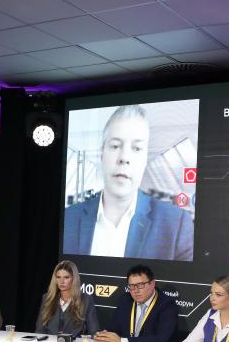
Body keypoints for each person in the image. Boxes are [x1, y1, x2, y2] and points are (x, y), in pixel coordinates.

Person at [62, 105, 194, 261]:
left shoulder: (176, 226)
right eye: (115, 146)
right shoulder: (67, 219)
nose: (124, 158)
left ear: (145, 159)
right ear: (102, 154)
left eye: (136, 148)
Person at [94, 264, 178, 342]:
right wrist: (104, 336)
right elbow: (113, 328)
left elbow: (159, 340)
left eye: (140, 285)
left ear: (152, 284)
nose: (136, 291)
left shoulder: (167, 305)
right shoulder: (125, 300)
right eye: (132, 286)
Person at [34, 260, 99, 336]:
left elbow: (94, 332)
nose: (62, 281)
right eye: (58, 277)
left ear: (74, 279)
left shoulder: (86, 300)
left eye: (66, 277)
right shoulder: (47, 298)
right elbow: (39, 330)